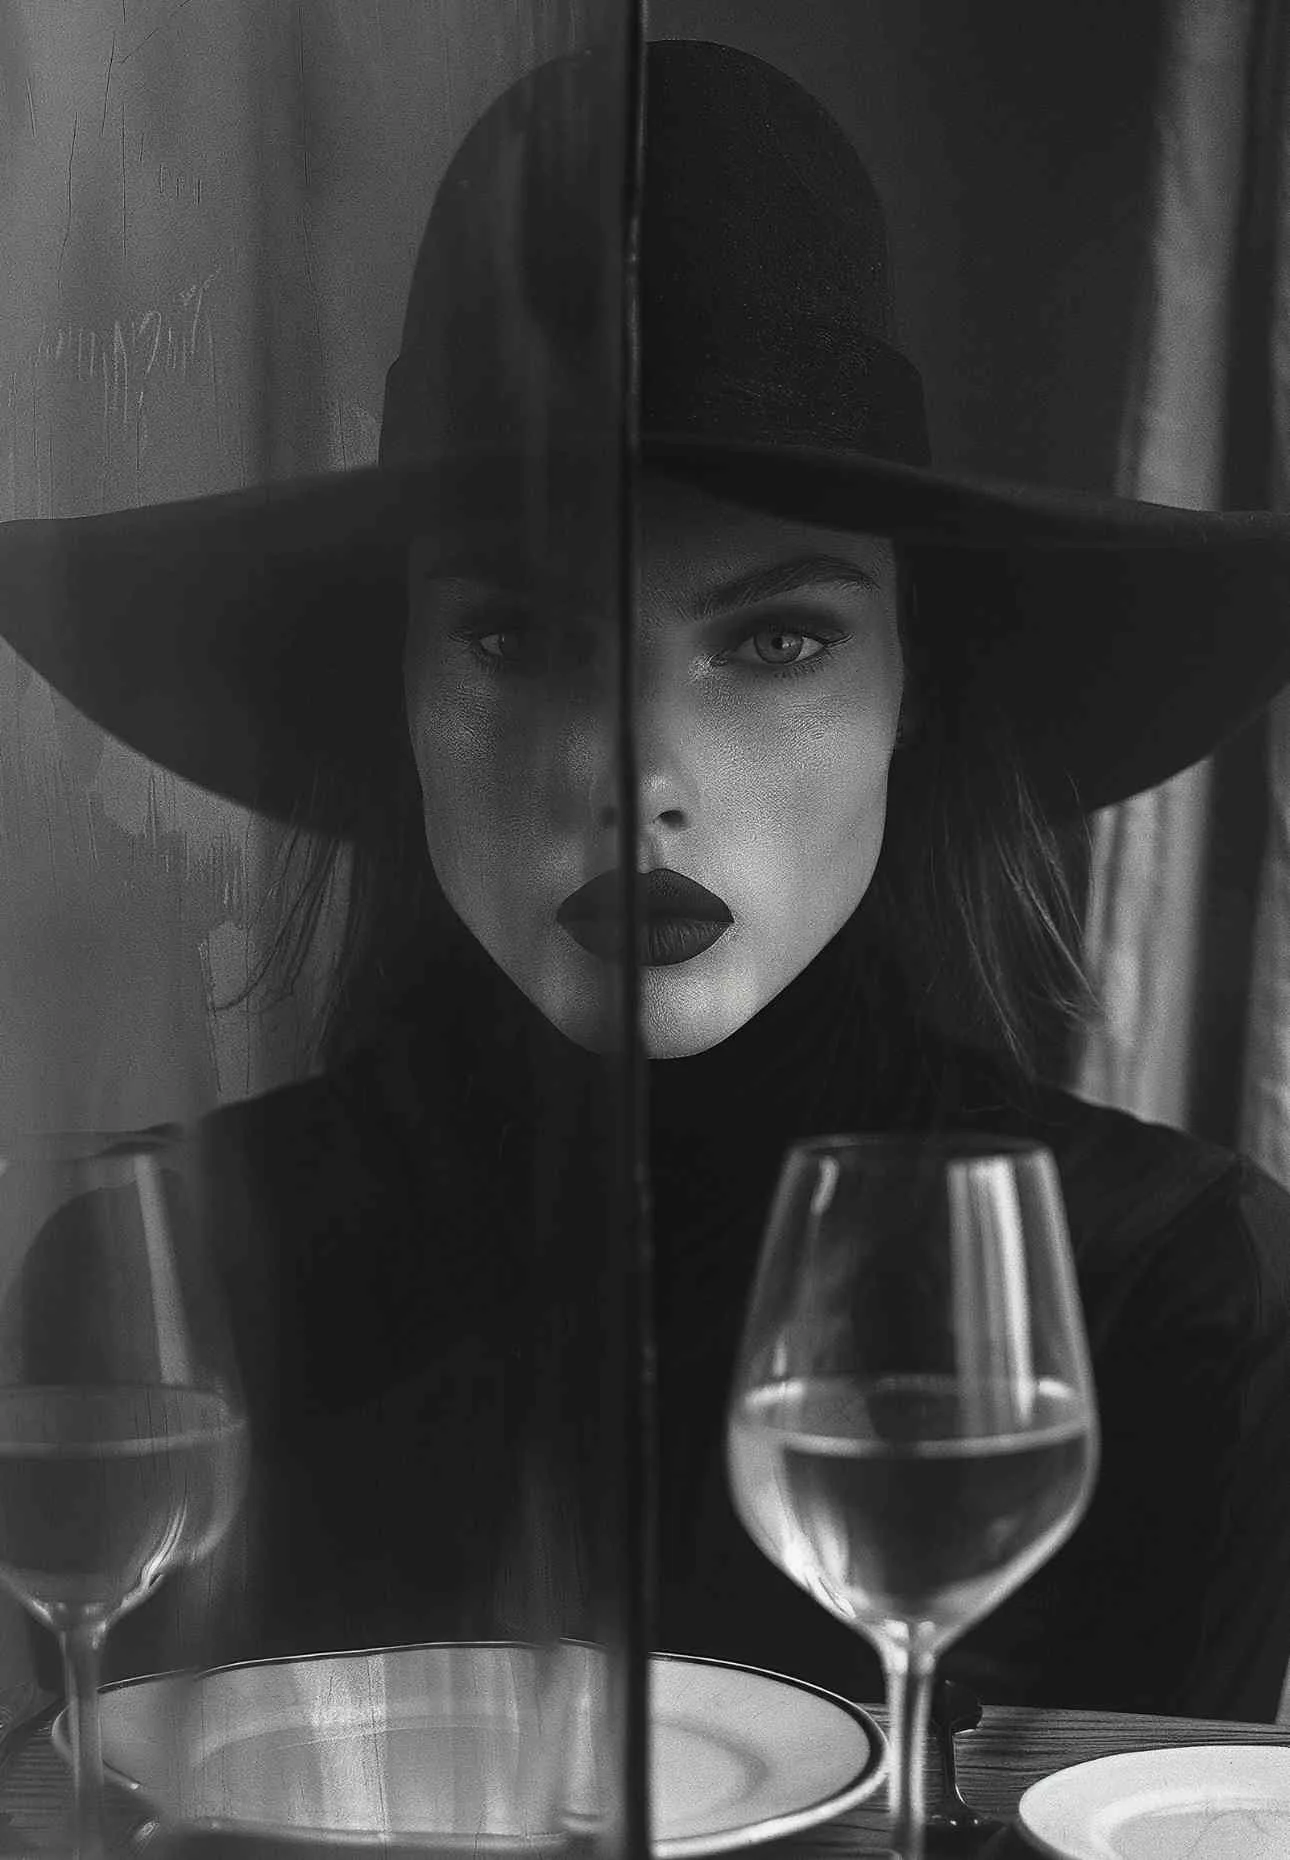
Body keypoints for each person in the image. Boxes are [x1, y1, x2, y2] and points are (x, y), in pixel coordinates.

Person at [5, 39, 1290, 1723]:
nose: (638, 774)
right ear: (396, 693)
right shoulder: (151, 1292)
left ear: (916, 690)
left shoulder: (1167, 1295)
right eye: (517, 638)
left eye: (774, 640)